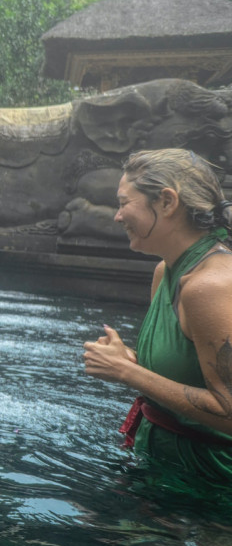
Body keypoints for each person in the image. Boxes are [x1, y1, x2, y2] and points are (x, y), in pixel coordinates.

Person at [83, 149, 232, 482]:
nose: (117, 217)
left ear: (167, 202)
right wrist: (131, 360)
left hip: (212, 486)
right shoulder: (165, 272)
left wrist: (126, 372)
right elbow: (188, 374)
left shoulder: (210, 287)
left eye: (124, 203)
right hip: (164, 469)